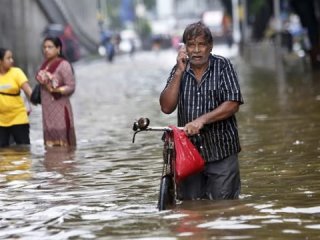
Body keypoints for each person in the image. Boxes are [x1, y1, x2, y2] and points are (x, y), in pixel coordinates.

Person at [159, 21, 244, 200]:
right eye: (191, 45)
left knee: (224, 208)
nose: (196, 50)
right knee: (191, 209)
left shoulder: (223, 66)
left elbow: (232, 104)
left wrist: (202, 120)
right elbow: (166, 107)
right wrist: (179, 72)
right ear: (185, 48)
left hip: (222, 152)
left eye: (201, 44)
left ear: (210, 46)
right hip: (188, 154)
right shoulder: (179, 70)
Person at [36, 37, 76, 147]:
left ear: (58, 48)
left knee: (64, 145)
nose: (46, 50)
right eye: (44, 47)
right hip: (47, 110)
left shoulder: (64, 65)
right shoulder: (45, 65)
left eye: (50, 47)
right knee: (50, 147)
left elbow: (71, 86)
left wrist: (55, 89)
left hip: (60, 108)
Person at [0, 48, 32, 147]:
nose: (12, 60)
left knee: (23, 149)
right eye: (8, 58)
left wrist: (35, 99)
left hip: (19, 118)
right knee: (3, 152)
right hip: (1, 121)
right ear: (0, 61)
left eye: (11, 58)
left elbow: (28, 91)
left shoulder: (17, 72)